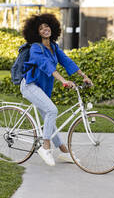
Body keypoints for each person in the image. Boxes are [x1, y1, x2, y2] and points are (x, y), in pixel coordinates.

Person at [20, 13, 93, 166]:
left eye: (47, 26)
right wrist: (63, 80)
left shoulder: (53, 46)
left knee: (50, 118)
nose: (45, 29)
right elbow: (46, 65)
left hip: (42, 89)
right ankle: (45, 147)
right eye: (41, 28)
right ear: (36, 32)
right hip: (30, 86)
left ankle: (64, 151)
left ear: (52, 27)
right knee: (52, 111)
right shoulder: (35, 48)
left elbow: (67, 61)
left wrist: (84, 75)